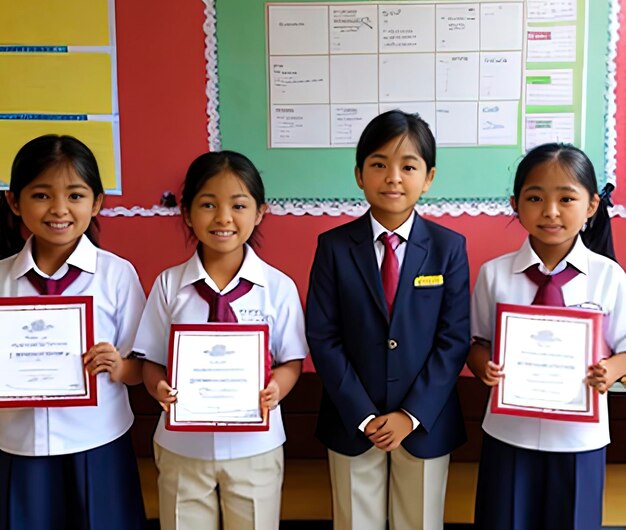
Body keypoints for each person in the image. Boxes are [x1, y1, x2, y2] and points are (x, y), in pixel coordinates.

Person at [306, 110, 471, 530]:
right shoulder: (334, 247)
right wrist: (362, 414)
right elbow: (323, 338)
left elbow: (453, 341)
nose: (393, 177)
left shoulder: (448, 248)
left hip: (425, 424)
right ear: (359, 174)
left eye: (408, 166)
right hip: (351, 422)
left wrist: (410, 415)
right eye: (379, 164)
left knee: (419, 522)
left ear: (429, 177)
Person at [133, 150, 307, 530]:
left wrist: (277, 388)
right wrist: (157, 387)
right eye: (208, 204)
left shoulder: (277, 287)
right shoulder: (169, 284)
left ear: (259, 212)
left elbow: (291, 361)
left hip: (255, 448)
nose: (223, 218)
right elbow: (151, 361)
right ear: (187, 213)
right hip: (183, 449)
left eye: (238, 205)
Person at [467, 142, 626, 530]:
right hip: (508, 436)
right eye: (535, 197)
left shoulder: (609, 277)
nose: (550, 211)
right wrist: (483, 366)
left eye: (566, 198)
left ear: (591, 206)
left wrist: (612, 369)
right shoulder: (494, 274)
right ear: (515, 204)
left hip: (579, 441)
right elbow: (476, 343)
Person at [0, 134, 146, 530]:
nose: (59, 209)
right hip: (18, 446)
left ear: (97, 202)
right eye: (42, 195)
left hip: (98, 444)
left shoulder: (116, 275)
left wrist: (118, 367)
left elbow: (143, 368)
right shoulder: (1, 279)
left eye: (76, 195)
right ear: (15, 202)